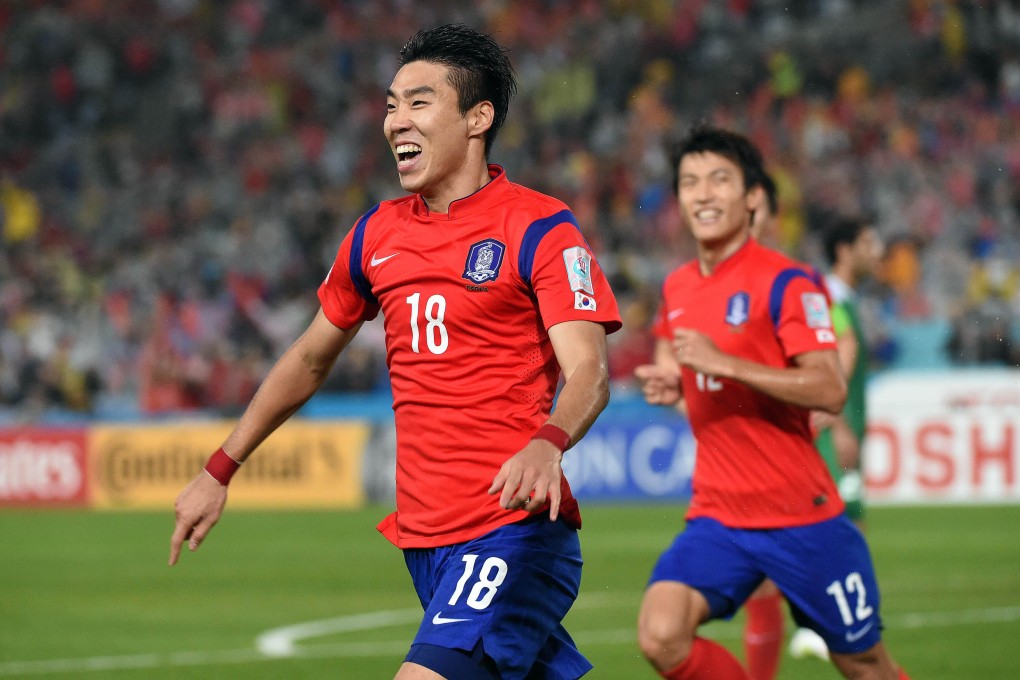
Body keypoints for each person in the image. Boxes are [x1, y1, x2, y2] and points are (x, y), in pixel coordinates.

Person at [168, 24, 622, 680]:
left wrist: (549, 441)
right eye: (389, 104)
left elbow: (589, 369)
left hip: (512, 530)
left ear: (477, 117)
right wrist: (219, 468)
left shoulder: (539, 227)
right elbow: (308, 359)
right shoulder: (375, 235)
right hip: (426, 541)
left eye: (417, 102)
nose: (395, 121)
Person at [634, 125, 910, 680]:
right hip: (719, 516)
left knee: (863, 664)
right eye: (689, 182)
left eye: (719, 180)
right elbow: (706, 376)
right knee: (661, 634)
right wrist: (682, 385)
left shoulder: (791, 282)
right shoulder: (679, 286)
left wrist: (723, 364)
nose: (703, 194)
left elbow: (829, 386)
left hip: (800, 517)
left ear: (752, 197)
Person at [787, 214, 885, 662]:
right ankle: (820, 627)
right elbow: (828, 361)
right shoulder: (827, 299)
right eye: (867, 241)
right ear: (844, 250)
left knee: (844, 526)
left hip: (840, 433)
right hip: (831, 437)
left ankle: (824, 625)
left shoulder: (841, 298)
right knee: (840, 527)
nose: (876, 249)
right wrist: (839, 421)